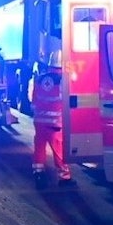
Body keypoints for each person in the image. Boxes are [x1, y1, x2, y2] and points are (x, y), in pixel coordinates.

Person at [30, 56, 74, 187]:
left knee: (39, 147)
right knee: (59, 150)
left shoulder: (40, 78)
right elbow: (67, 100)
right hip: (55, 122)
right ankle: (64, 177)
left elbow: (34, 98)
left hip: (39, 120)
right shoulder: (63, 79)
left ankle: (38, 174)